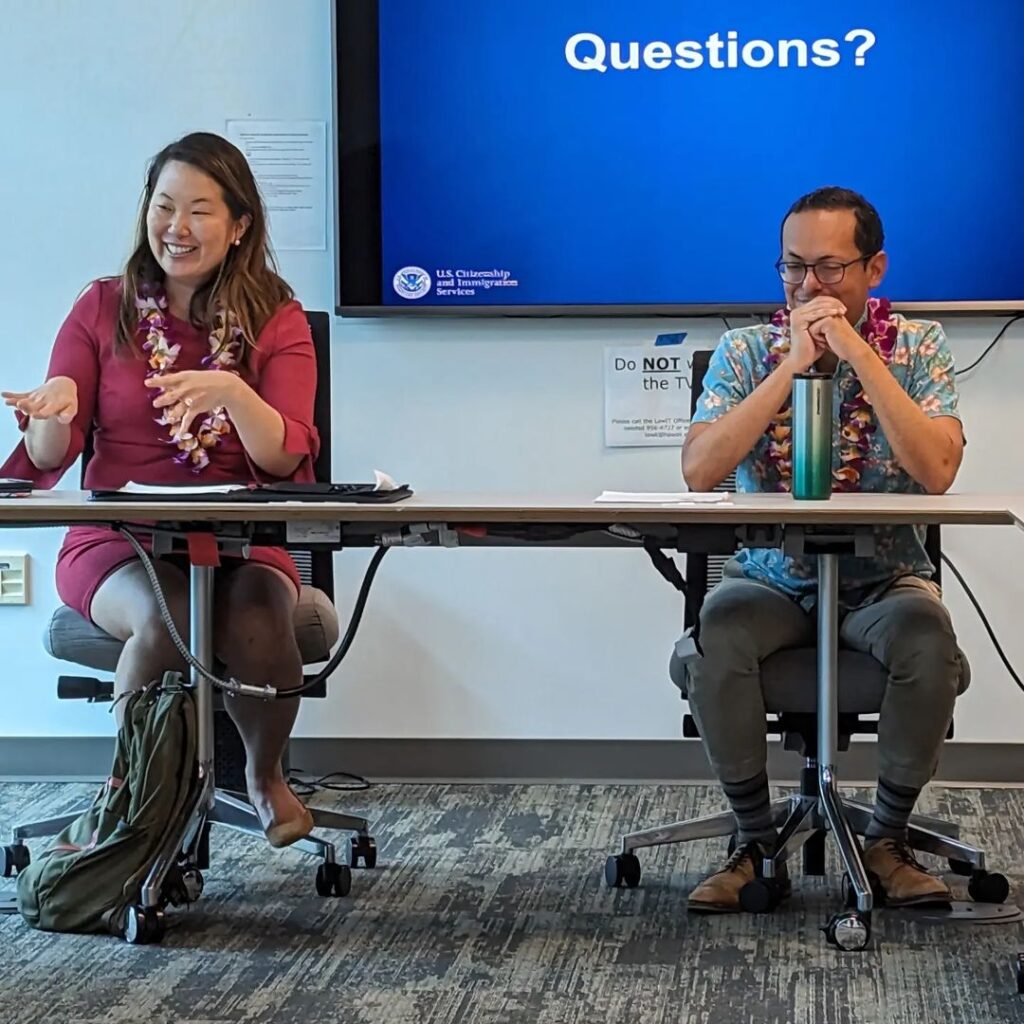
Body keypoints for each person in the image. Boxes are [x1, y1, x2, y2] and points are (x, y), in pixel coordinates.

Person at [1, 132, 319, 848]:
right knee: (169, 612)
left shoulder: (277, 317)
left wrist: (234, 393)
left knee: (260, 617)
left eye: (200, 210)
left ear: (239, 227)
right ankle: (127, 794)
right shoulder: (102, 307)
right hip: (116, 541)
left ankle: (263, 779)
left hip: (237, 543)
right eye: (164, 205)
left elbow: (285, 450)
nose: (177, 227)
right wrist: (49, 410)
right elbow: (52, 450)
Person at [681, 186, 967, 912]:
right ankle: (754, 842)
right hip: (774, 580)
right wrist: (791, 365)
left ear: (876, 269)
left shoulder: (922, 344)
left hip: (884, 580)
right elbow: (700, 470)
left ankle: (886, 839)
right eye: (793, 267)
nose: (810, 287)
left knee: (928, 640)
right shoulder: (748, 349)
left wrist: (857, 355)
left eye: (831, 269)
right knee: (718, 635)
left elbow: (937, 470)